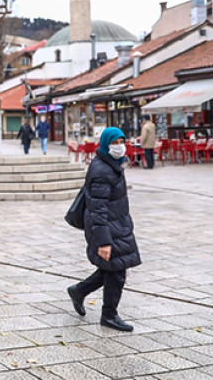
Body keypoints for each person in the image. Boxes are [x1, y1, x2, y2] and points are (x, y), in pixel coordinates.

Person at [67, 127, 141, 332]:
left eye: (121, 141)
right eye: (114, 142)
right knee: (116, 272)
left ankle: (79, 291)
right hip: (107, 228)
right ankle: (109, 315)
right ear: (106, 144)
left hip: (116, 225)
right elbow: (97, 209)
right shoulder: (102, 170)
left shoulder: (112, 164)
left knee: (112, 269)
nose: (119, 146)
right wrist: (104, 241)